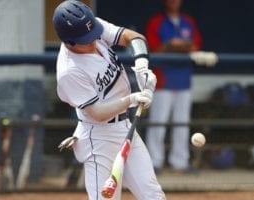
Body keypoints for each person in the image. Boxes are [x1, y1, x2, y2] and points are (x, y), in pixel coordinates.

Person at [53, 1, 165, 199]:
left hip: (125, 127)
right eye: (85, 40)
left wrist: (142, 66)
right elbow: (97, 112)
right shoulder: (69, 71)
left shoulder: (90, 27)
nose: (93, 41)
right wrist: (131, 99)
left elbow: (134, 37)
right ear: (69, 41)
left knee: (153, 194)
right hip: (98, 138)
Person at [145, 0, 202, 173]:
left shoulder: (187, 21)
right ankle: (154, 162)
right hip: (163, 79)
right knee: (157, 123)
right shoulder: (156, 22)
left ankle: (180, 162)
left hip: (183, 79)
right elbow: (153, 49)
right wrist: (171, 44)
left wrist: (182, 46)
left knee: (182, 123)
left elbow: (195, 46)